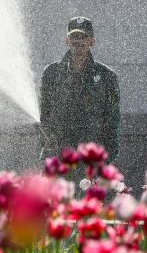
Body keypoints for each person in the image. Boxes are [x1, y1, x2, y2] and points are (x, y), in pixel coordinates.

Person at [39, 17, 121, 164]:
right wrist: (49, 150)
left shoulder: (107, 76)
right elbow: (44, 115)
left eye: (83, 37)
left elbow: (112, 122)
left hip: (90, 161)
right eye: (74, 36)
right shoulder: (51, 73)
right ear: (67, 40)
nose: (79, 41)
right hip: (58, 159)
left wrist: (105, 160)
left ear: (92, 41)